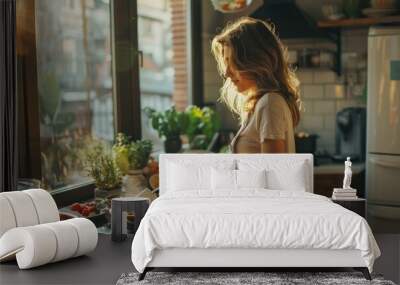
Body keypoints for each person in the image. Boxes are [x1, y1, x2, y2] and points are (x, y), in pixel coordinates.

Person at [211, 17, 302, 153]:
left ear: (255, 60)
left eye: (232, 61)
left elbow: (272, 172)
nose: (226, 73)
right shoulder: (261, 104)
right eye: (225, 62)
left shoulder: (270, 104)